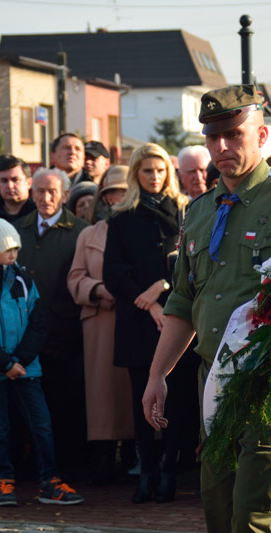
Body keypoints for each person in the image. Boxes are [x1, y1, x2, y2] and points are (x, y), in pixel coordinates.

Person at [141, 85, 271, 532]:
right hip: (214, 386)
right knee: (219, 514)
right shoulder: (200, 211)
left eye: (233, 134)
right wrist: (157, 375)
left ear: (261, 135)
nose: (221, 147)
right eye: (212, 137)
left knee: (258, 516)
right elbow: (184, 301)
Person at [0, 208, 83, 506]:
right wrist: (5, 363)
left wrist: (19, 360)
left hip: (26, 369)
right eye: (7, 248)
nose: (13, 253)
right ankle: (3, 480)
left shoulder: (24, 281)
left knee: (41, 424)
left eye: (15, 248)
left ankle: (50, 480)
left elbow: (38, 323)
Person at [103, 143, 188, 504]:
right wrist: (147, 302)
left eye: (160, 170)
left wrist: (161, 288)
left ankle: (169, 472)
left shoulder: (186, 212)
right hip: (139, 323)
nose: (154, 177)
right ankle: (147, 472)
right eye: (146, 171)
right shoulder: (122, 219)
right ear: (136, 174)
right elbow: (113, 271)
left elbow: (190, 263)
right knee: (144, 401)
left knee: (177, 400)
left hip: (178, 320)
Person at [15, 168, 89, 479]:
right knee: (28, 407)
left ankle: (68, 466)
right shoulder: (18, 230)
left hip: (65, 333)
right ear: (31, 192)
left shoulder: (80, 231)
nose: (45, 198)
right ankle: (32, 466)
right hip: (24, 338)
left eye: (52, 192)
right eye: (40, 191)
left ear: (65, 195)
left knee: (65, 403)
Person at [67, 166, 134, 487]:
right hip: (100, 323)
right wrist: (98, 290)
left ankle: (137, 457)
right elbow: (75, 277)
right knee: (103, 399)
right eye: (111, 192)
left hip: (133, 319)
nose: (116, 198)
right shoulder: (88, 234)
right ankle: (104, 459)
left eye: (122, 191)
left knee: (133, 393)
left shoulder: (142, 229)